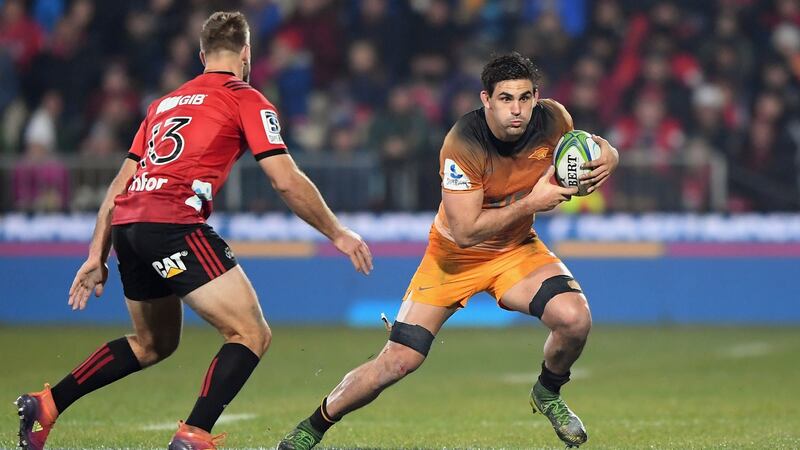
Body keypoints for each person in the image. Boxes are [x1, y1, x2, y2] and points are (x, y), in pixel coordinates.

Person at [14, 11, 372, 450]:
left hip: (128, 226)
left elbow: (120, 184)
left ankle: (47, 403)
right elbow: (285, 179)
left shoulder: (162, 104)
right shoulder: (246, 98)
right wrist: (337, 232)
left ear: (202, 56)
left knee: (153, 343)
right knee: (250, 333)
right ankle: (193, 435)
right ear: (246, 53)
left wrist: (96, 254)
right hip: (172, 222)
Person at [277, 52, 618, 449]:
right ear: (486, 99)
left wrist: (609, 157)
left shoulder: (553, 119)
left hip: (515, 250)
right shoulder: (463, 143)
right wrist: (531, 203)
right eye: (506, 98)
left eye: (525, 98)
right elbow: (466, 232)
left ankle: (548, 392)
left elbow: (595, 145)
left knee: (575, 319)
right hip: (452, 259)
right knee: (398, 361)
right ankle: (312, 427)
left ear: (536, 97)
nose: (517, 109)